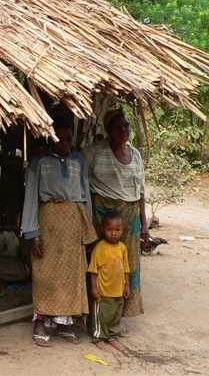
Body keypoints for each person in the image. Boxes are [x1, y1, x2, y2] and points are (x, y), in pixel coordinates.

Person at [21, 117, 96, 347]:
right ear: (50, 138)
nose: (64, 143)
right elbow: (31, 198)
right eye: (59, 139)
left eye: (67, 139)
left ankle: (64, 323)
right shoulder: (39, 163)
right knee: (44, 275)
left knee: (72, 277)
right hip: (48, 225)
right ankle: (40, 324)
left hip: (73, 227)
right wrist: (33, 234)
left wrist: (88, 230)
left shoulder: (79, 162)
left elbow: (87, 198)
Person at [81, 108, 149, 317]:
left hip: (130, 217)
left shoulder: (135, 155)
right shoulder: (93, 152)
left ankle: (123, 311)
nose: (123, 130)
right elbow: (80, 181)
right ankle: (96, 312)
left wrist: (144, 223)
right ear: (108, 130)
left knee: (128, 263)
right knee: (100, 262)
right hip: (103, 215)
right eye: (117, 127)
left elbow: (141, 191)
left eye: (126, 125)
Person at [88, 210, 130, 351]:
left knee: (115, 315)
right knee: (101, 316)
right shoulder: (100, 248)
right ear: (102, 229)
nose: (113, 233)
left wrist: (127, 286)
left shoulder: (122, 248)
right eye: (109, 230)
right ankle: (99, 336)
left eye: (117, 230)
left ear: (122, 230)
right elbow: (93, 270)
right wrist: (94, 288)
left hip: (118, 290)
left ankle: (112, 336)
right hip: (103, 291)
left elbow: (126, 269)